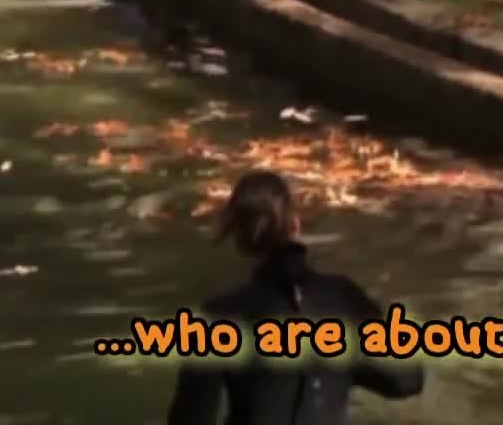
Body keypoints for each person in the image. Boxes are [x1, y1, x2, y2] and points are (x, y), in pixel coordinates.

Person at [165, 171, 425, 424]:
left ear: (239, 237)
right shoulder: (344, 299)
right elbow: (406, 381)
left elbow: (191, 418)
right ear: (295, 225)